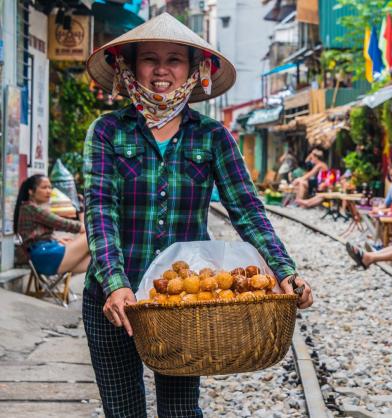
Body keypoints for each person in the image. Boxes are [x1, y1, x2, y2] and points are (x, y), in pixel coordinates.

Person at [83, 13, 312, 417]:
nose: (161, 70)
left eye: (174, 59)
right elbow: (100, 211)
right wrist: (115, 283)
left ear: (193, 70)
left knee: (180, 411)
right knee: (122, 411)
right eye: (149, 58)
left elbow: (247, 210)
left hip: (183, 303)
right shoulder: (107, 132)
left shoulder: (212, 136)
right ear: (132, 66)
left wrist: (283, 270)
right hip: (112, 298)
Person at [15, 174, 90, 276]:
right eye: (44, 187)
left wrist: (57, 240)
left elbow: (38, 235)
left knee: (95, 260)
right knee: (94, 234)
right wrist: (84, 227)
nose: (49, 191)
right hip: (43, 256)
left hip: (44, 254)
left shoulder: (29, 208)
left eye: (50, 187)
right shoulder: (31, 208)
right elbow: (63, 223)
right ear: (31, 191)